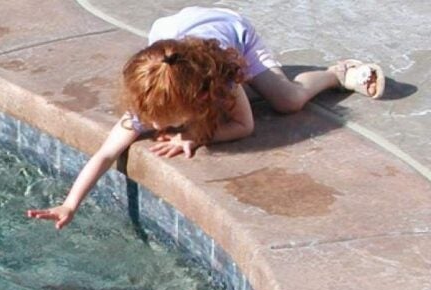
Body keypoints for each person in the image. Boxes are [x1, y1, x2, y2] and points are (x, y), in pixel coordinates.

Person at [26, 6, 384, 230]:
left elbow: (245, 125)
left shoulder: (222, 81)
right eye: (153, 120)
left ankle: (336, 73)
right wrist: (69, 203)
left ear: (200, 98)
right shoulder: (147, 103)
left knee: (286, 100)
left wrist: (196, 137)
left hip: (232, 31)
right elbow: (104, 154)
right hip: (176, 37)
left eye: (167, 120)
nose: (155, 127)